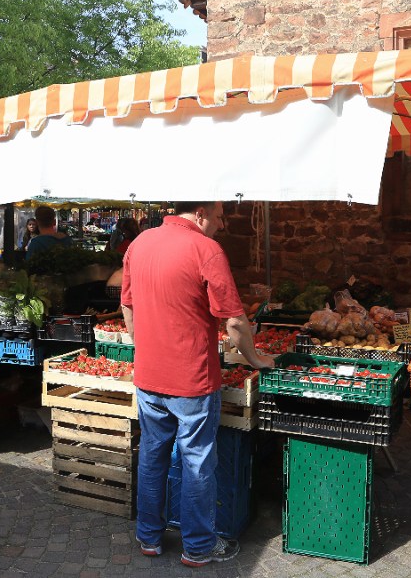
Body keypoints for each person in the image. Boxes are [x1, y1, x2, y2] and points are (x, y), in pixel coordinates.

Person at [120, 200, 274, 567]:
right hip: (192, 378)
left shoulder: (139, 243)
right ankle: (199, 546)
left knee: (153, 456)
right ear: (201, 212)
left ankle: (149, 538)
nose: (222, 224)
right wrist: (256, 359)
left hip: (149, 376)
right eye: (220, 216)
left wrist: (146, 346)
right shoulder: (206, 249)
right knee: (197, 463)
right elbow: (235, 321)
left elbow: (127, 305)